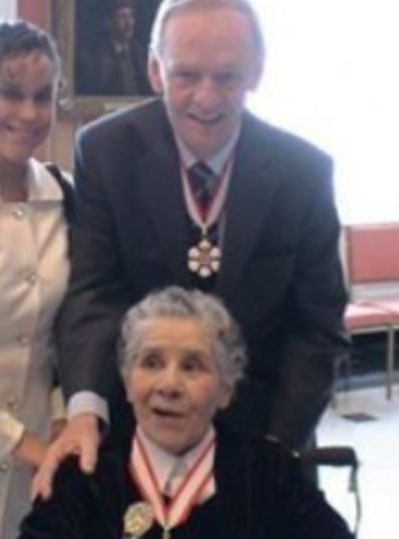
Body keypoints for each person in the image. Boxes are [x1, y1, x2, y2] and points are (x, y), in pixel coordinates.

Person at [35, 0, 348, 496]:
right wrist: (85, 412)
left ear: (257, 73)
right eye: (186, 75)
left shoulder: (303, 172)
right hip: (136, 434)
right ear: (155, 69)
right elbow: (94, 295)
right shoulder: (104, 151)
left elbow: (318, 326)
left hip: (264, 439)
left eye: (227, 77)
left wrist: (277, 446)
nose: (207, 98)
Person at [0, 287, 395, 539]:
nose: (169, 384)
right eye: (151, 362)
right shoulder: (86, 477)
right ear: (125, 381)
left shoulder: (268, 473)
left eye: (193, 366)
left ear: (226, 390)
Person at [0, 20, 71, 539]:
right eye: (10, 92)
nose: (29, 113)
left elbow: (69, 332)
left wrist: (60, 424)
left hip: (38, 470)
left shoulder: (67, 195)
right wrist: (21, 441)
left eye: (44, 95)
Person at [75, 0, 152, 96]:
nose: (129, 23)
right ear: (109, 22)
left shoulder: (141, 52)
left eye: (130, 16)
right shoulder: (94, 55)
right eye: (122, 17)